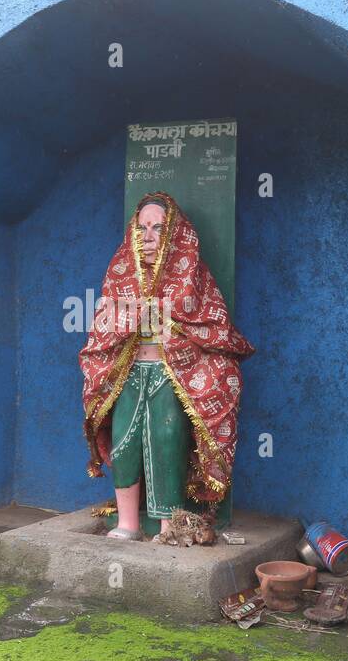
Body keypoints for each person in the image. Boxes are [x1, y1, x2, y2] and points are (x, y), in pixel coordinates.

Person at [79, 191, 254, 541]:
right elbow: (102, 325)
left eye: (157, 228)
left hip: (169, 375)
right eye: (142, 228)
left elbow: (214, 329)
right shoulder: (120, 273)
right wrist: (128, 322)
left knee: (167, 441)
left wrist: (165, 322)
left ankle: (166, 525)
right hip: (128, 376)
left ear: (174, 234)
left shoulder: (194, 278)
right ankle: (127, 523)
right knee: (124, 444)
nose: (148, 236)